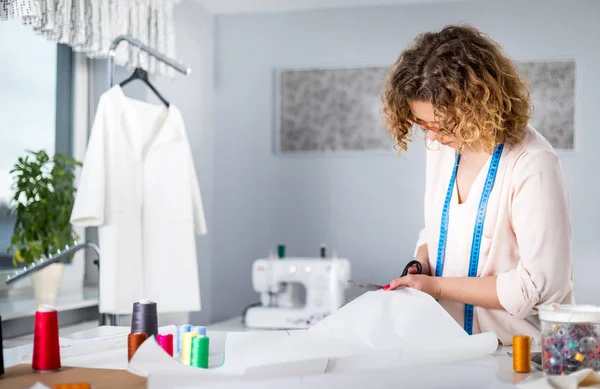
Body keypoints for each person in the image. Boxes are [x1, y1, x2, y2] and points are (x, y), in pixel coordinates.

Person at [380, 24, 574, 345]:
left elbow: (538, 286)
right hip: (453, 348)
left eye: (441, 125)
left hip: (520, 355)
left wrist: (439, 287)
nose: (432, 136)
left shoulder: (533, 163)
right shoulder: (444, 149)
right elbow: (437, 230)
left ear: (478, 107)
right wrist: (422, 263)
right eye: (423, 124)